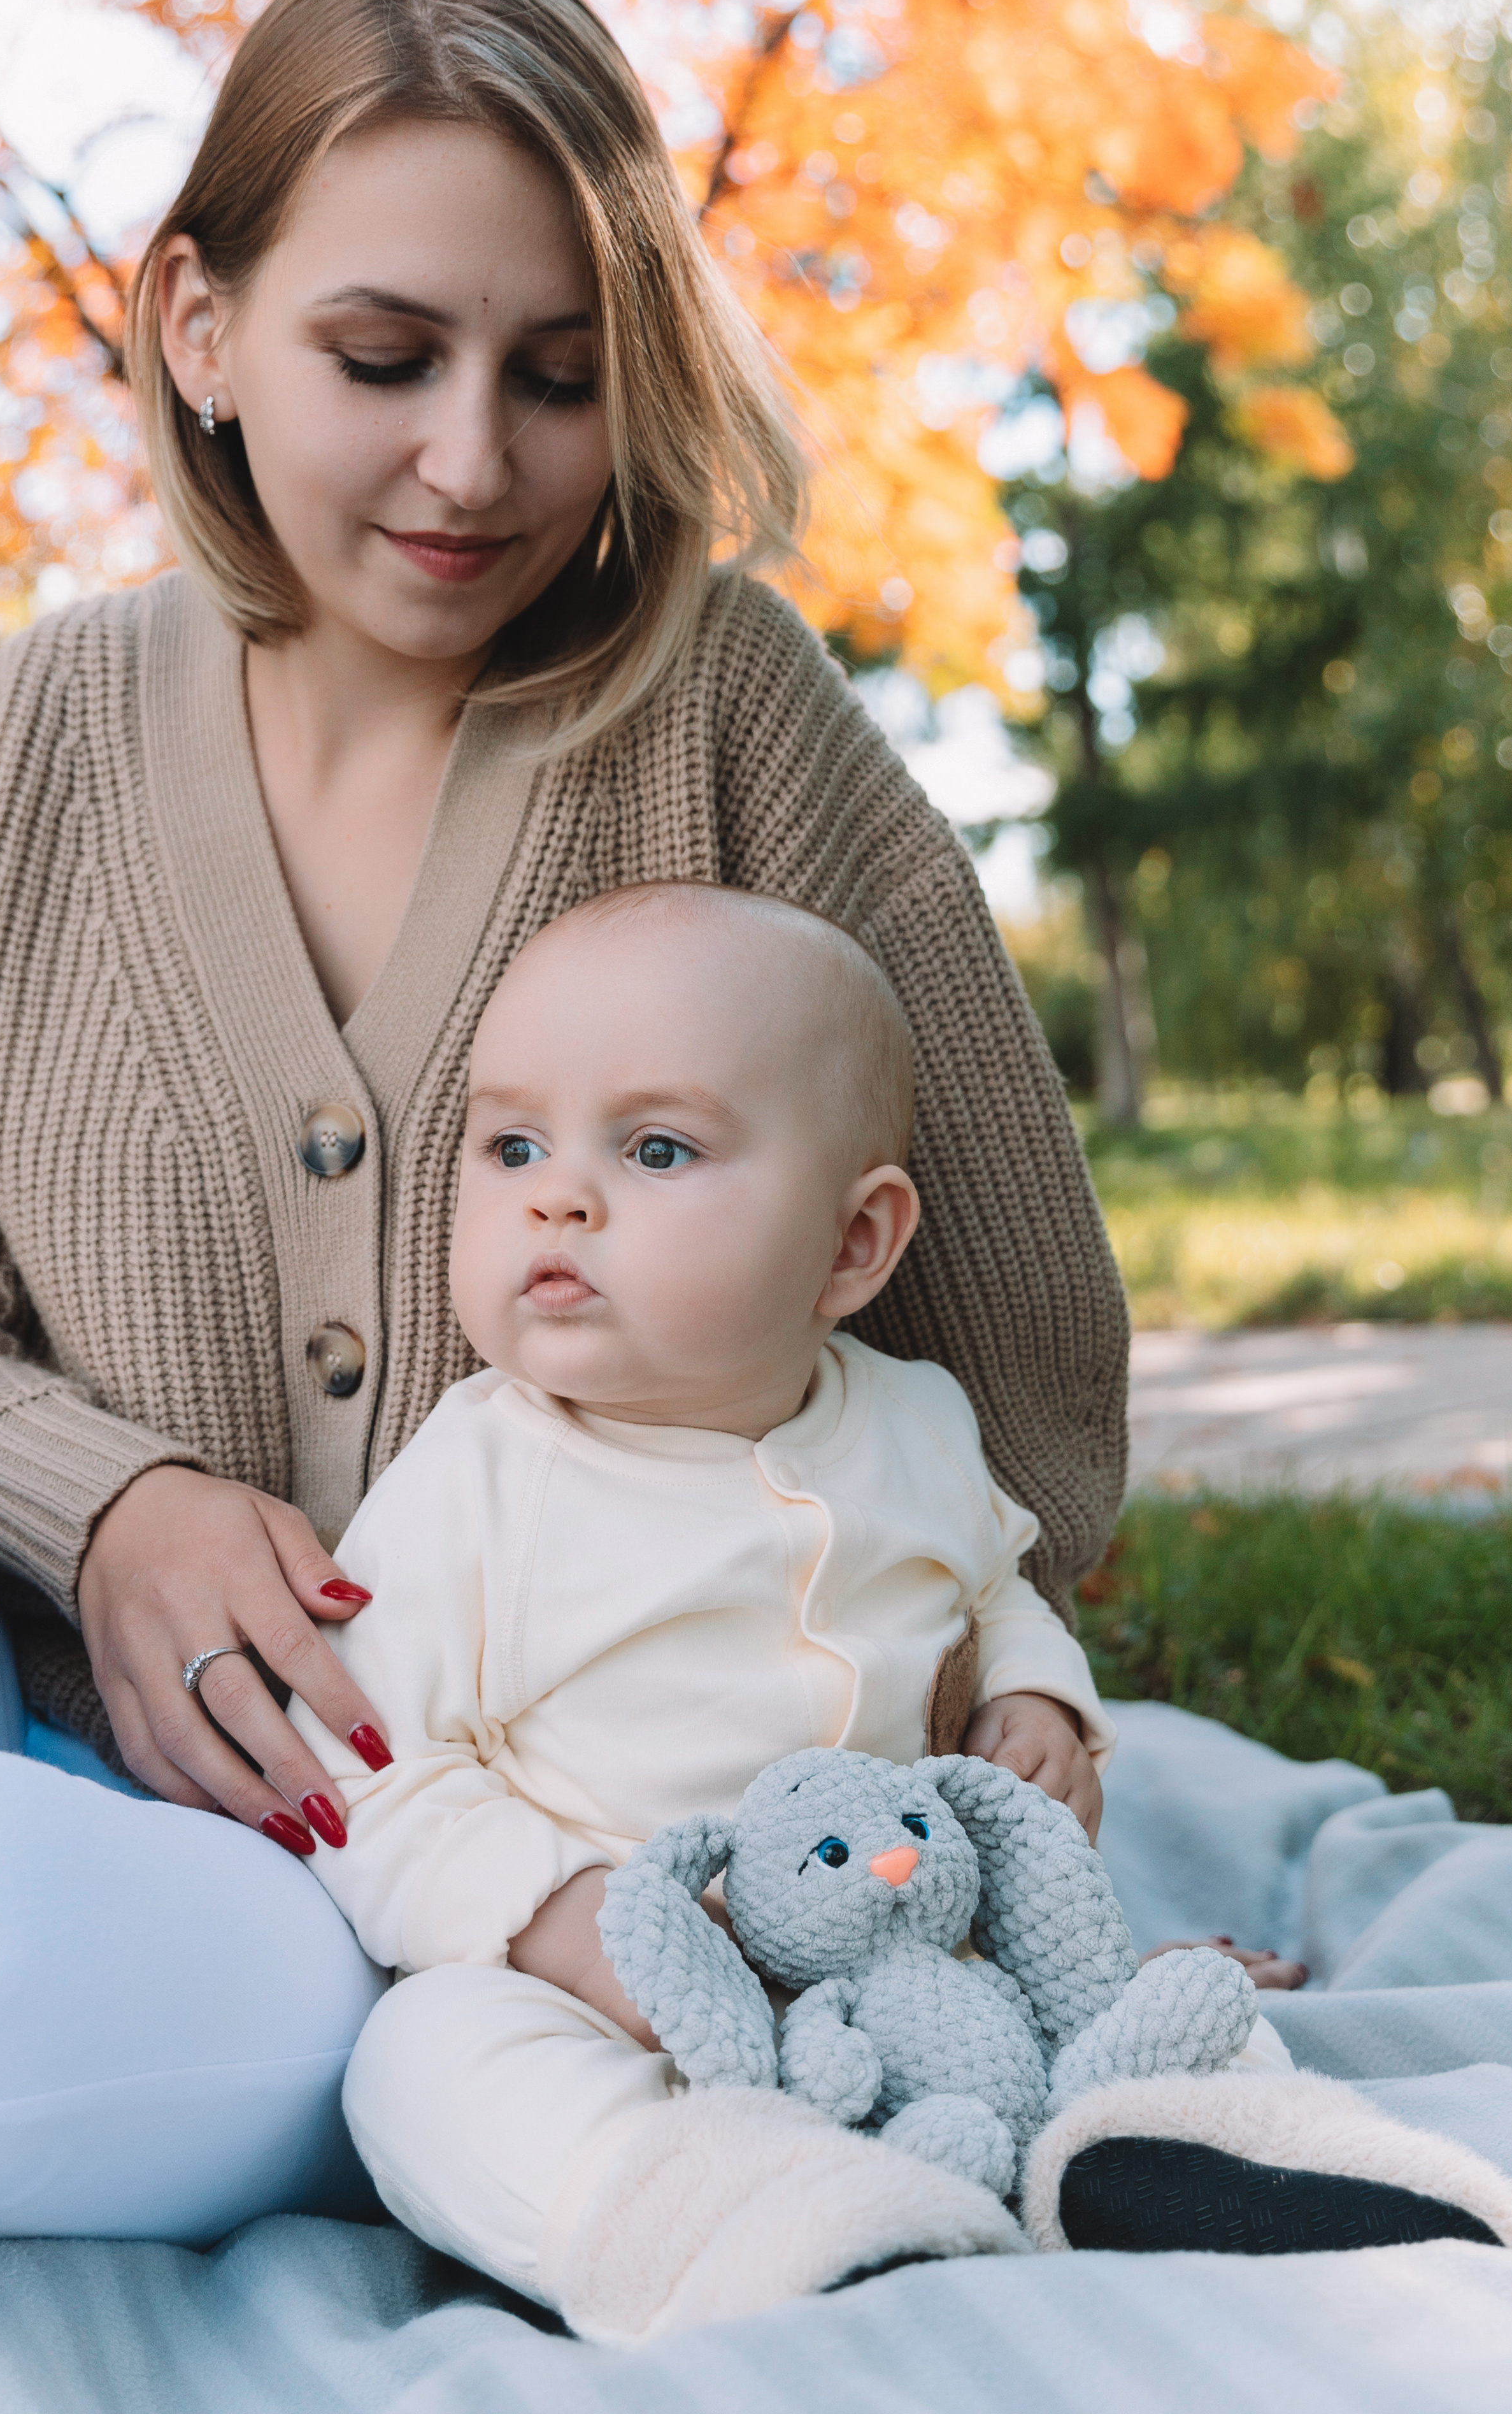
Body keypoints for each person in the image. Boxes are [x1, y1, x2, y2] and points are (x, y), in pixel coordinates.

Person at [0, 0, 1129, 2245]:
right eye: (385, 362)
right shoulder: (40, 737)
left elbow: (1013, 1353)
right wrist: (107, 1504)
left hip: (376, 1883)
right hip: (23, 1684)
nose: (475, 461)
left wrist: (953, 1810)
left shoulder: (725, 716)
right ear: (200, 324)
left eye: (559, 378)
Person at [290, 880, 1125, 2338]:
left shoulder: (915, 1425)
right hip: (620, 2000)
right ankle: (734, 2228)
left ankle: (1148, 2140)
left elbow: (996, 1588)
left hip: (907, 1963)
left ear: (853, 1248)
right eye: (511, 1146)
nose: (557, 1196)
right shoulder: (481, 1476)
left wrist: (1036, 1700)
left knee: (1115, 1997)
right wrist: (557, 1919)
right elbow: (362, 1762)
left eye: (656, 1148)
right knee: (422, 2063)